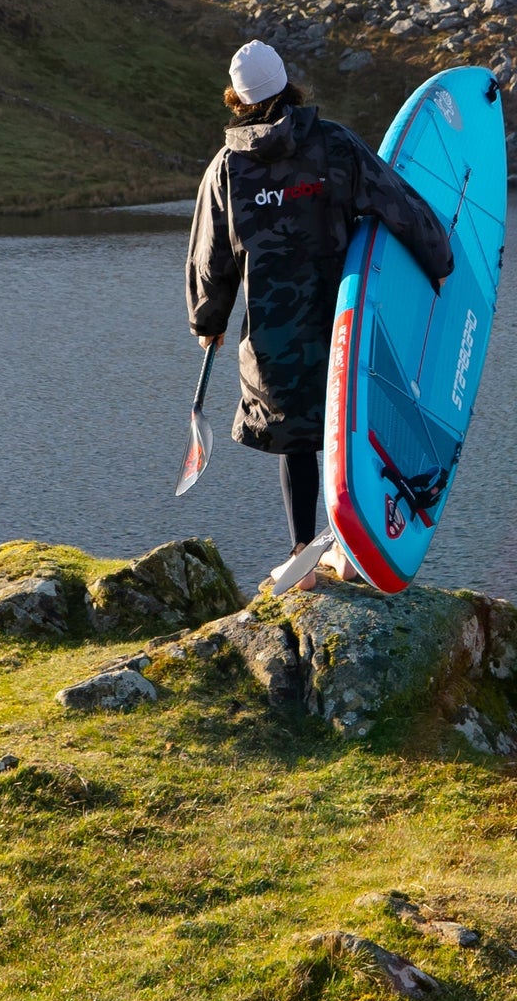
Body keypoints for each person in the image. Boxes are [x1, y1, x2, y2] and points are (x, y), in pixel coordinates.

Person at [184, 37, 455, 596]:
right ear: (287, 86)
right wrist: (440, 259)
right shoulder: (333, 146)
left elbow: (211, 258)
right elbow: (395, 203)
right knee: (349, 430)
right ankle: (353, 549)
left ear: (236, 100)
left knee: (297, 442)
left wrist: (207, 319)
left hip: (274, 340)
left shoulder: (228, 169)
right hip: (345, 329)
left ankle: (301, 554)